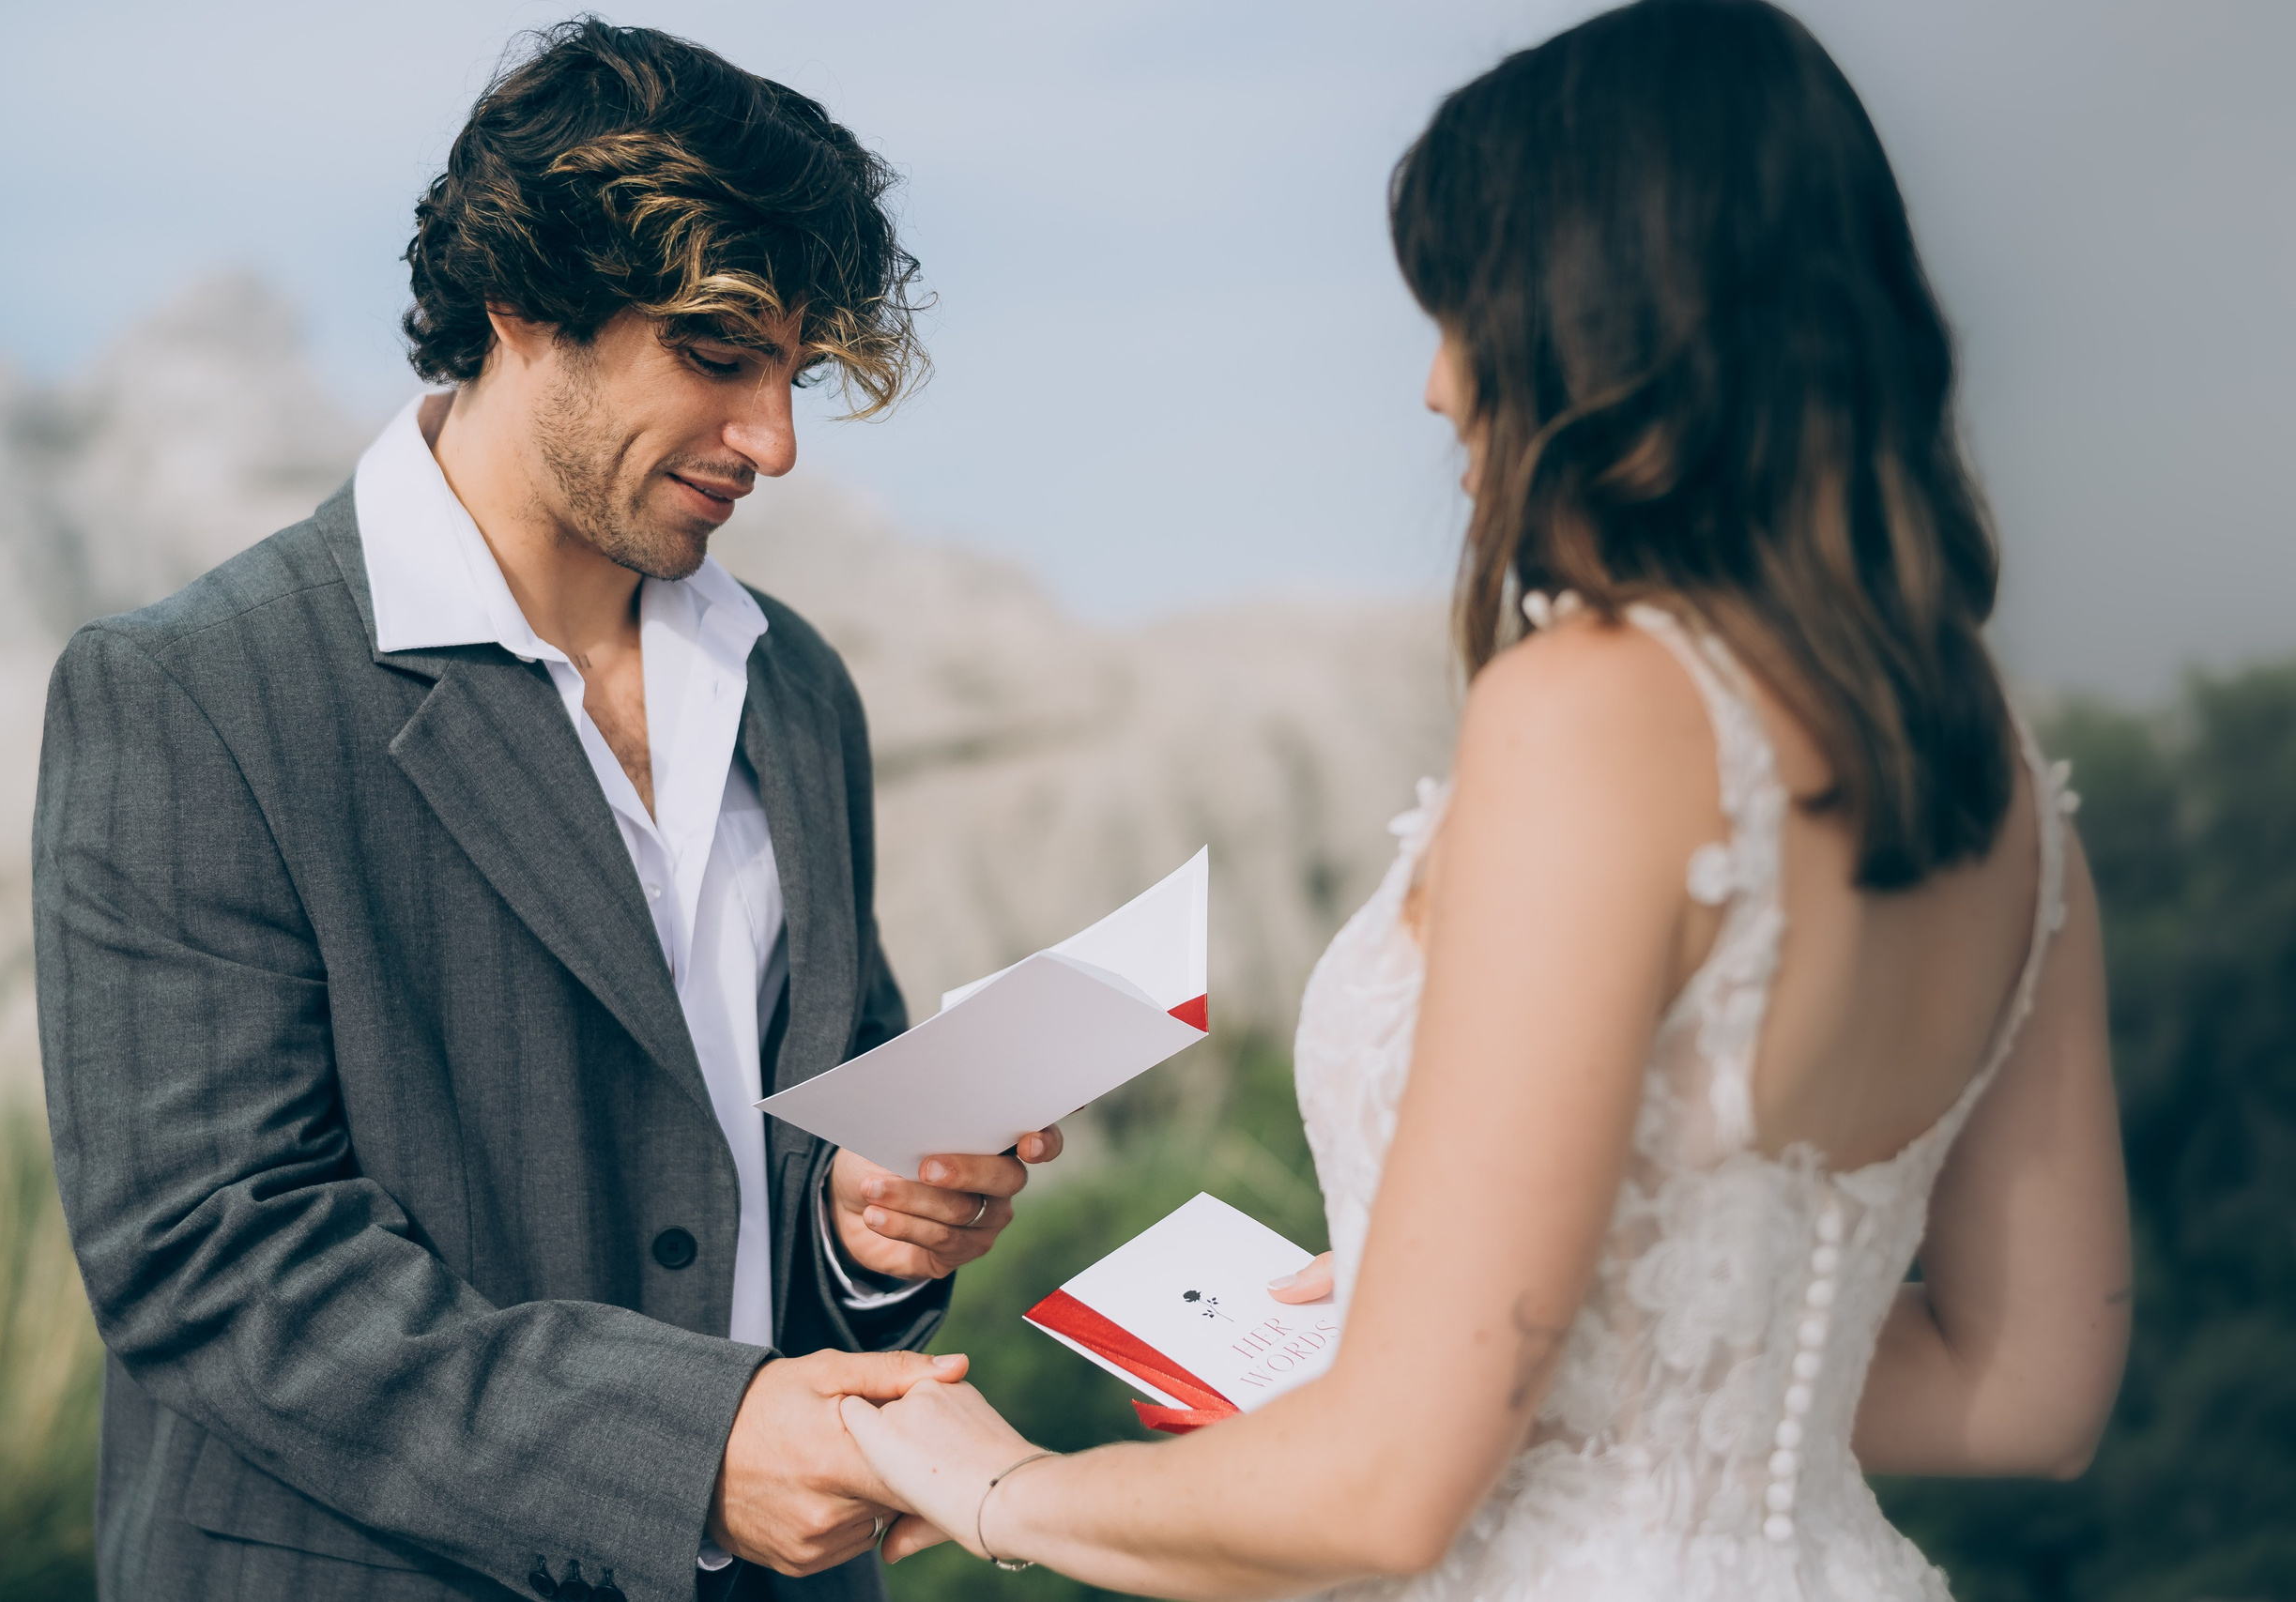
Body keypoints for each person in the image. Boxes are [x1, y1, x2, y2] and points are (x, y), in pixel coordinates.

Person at [836, 3, 2134, 1597]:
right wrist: (1468, 1329)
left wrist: (1002, 1488)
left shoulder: (1594, 708)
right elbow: (2026, 1393)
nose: (1441, 386)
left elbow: (1387, 1494)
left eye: (1464, 311)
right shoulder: (1987, 768)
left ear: (1601, 321)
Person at [32, 21, 1048, 1602]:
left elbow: (764, 1151)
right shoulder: (192, 690)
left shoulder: (797, 686)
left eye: (794, 373)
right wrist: (695, 1449)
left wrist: (862, 1215)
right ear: (523, 304)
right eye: (719, 357)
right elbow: (212, 1258)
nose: (774, 441)